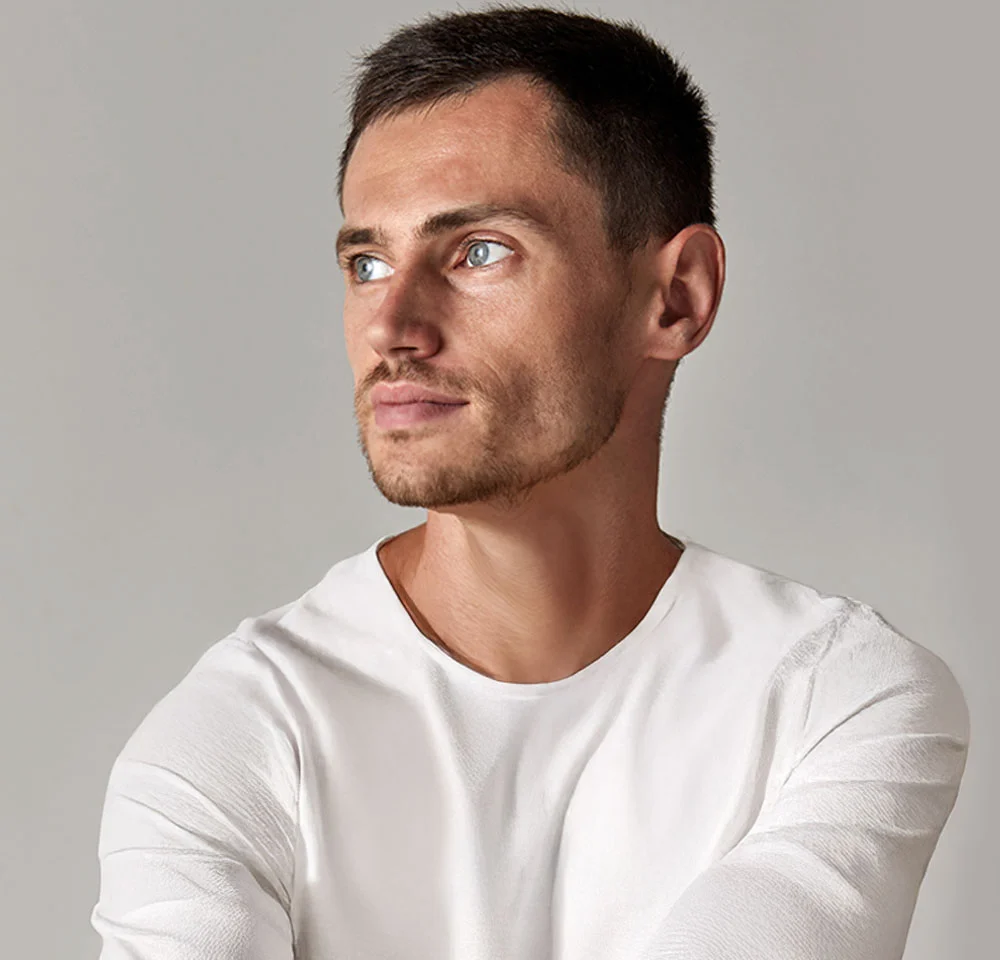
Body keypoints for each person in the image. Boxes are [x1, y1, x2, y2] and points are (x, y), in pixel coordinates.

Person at [90, 7, 970, 959]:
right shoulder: (242, 737)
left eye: (479, 251)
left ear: (676, 297)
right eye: (368, 262)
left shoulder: (833, 696)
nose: (392, 327)